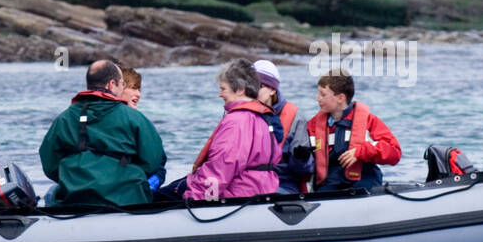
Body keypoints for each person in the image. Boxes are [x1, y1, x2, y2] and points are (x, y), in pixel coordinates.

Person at [39, 60, 167, 207]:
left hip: (73, 200)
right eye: (122, 84)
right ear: (111, 84)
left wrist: (73, 179)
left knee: (50, 194)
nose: (122, 88)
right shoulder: (135, 118)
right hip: (128, 200)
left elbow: (49, 164)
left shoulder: (63, 119)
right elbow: (153, 162)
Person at [157, 59, 280, 202]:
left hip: (235, 194)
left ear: (240, 90)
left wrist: (196, 199)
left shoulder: (237, 121)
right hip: (260, 190)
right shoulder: (264, 118)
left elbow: (221, 167)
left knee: (156, 198)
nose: (220, 94)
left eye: (223, 89)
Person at [306, 70, 401, 192]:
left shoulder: (369, 121)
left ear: (341, 98)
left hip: (364, 179)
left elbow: (394, 153)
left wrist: (360, 152)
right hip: (330, 183)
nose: (317, 98)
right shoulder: (312, 125)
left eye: (323, 95)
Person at [253, 59, 313, 194]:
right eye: (250, 86)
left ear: (272, 90)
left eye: (259, 86)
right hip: (247, 182)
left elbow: (305, 169)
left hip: (282, 183)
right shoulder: (240, 114)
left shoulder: (296, 118)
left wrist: (301, 158)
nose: (253, 91)